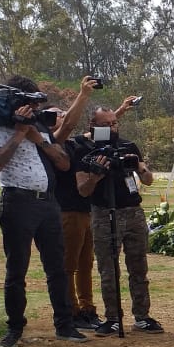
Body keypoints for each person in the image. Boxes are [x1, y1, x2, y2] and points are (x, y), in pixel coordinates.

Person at [0, 75, 89, 347]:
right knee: (17, 269)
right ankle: (14, 328)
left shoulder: (40, 126)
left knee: (57, 268)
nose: (31, 108)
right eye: (25, 102)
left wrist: (36, 137)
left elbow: (64, 163)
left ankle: (64, 325)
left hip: (48, 203)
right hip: (17, 201)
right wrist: (18, 134)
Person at [77, 105, 162, 335]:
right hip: (104, 213)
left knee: (138, 267)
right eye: (106, 124)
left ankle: (142, 316)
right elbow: (83, 190)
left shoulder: (128, 146)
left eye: (114, 123)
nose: (112, 128)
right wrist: (95, 176)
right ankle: (113, 318)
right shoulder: (85, 149)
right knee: (108, 269)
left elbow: (149, 180)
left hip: (132, 210)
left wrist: (140, 167)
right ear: (92, 126)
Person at [56, 78, 120, 330]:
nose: (64, 119)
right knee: (68, 264)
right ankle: (71, 310)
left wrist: (120, 111)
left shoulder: (93, 142)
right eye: (60, 116)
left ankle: (87, 308)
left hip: (89, 210)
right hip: (69, 209)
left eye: (113, 124)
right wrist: (83, 96)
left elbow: (103, 125)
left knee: (86, 264)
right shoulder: (67, 145)